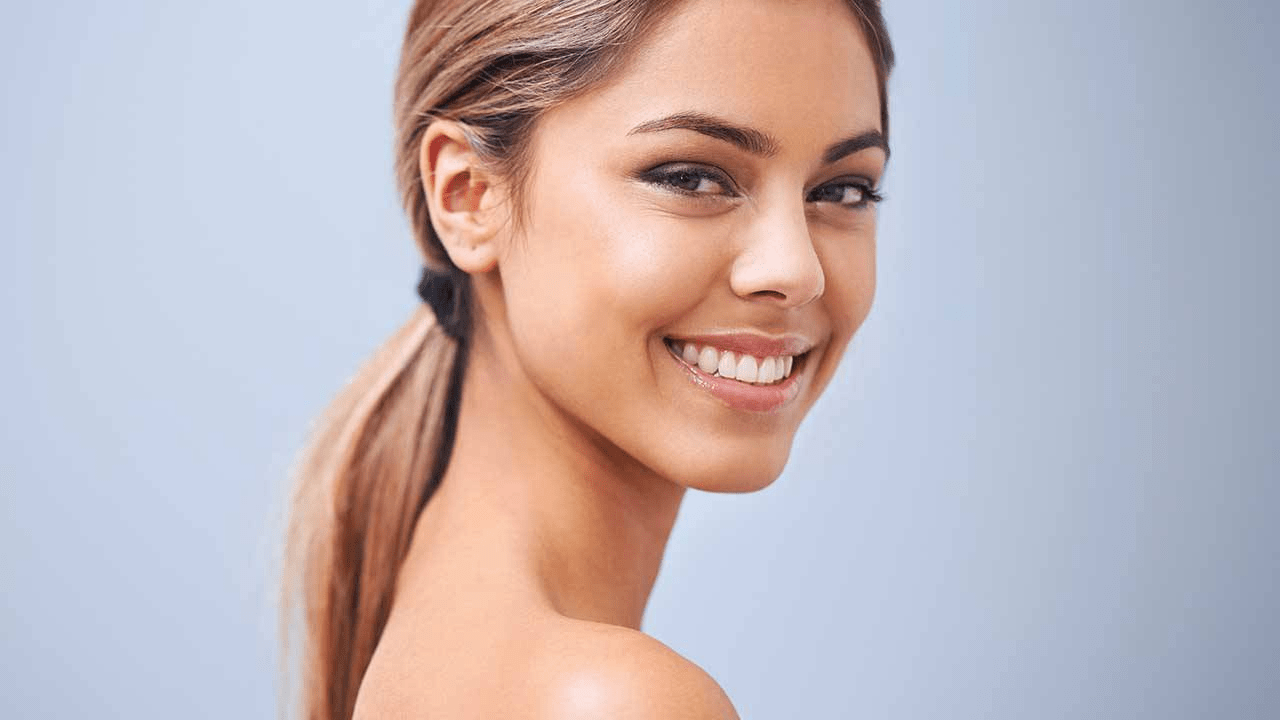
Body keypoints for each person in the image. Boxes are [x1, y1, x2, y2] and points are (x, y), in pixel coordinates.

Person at [282, 0, 894, 717]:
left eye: (842, 190)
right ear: (469, 196)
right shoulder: (611, 700)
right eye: (691, 176)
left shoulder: (445, 639)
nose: (796, 270)